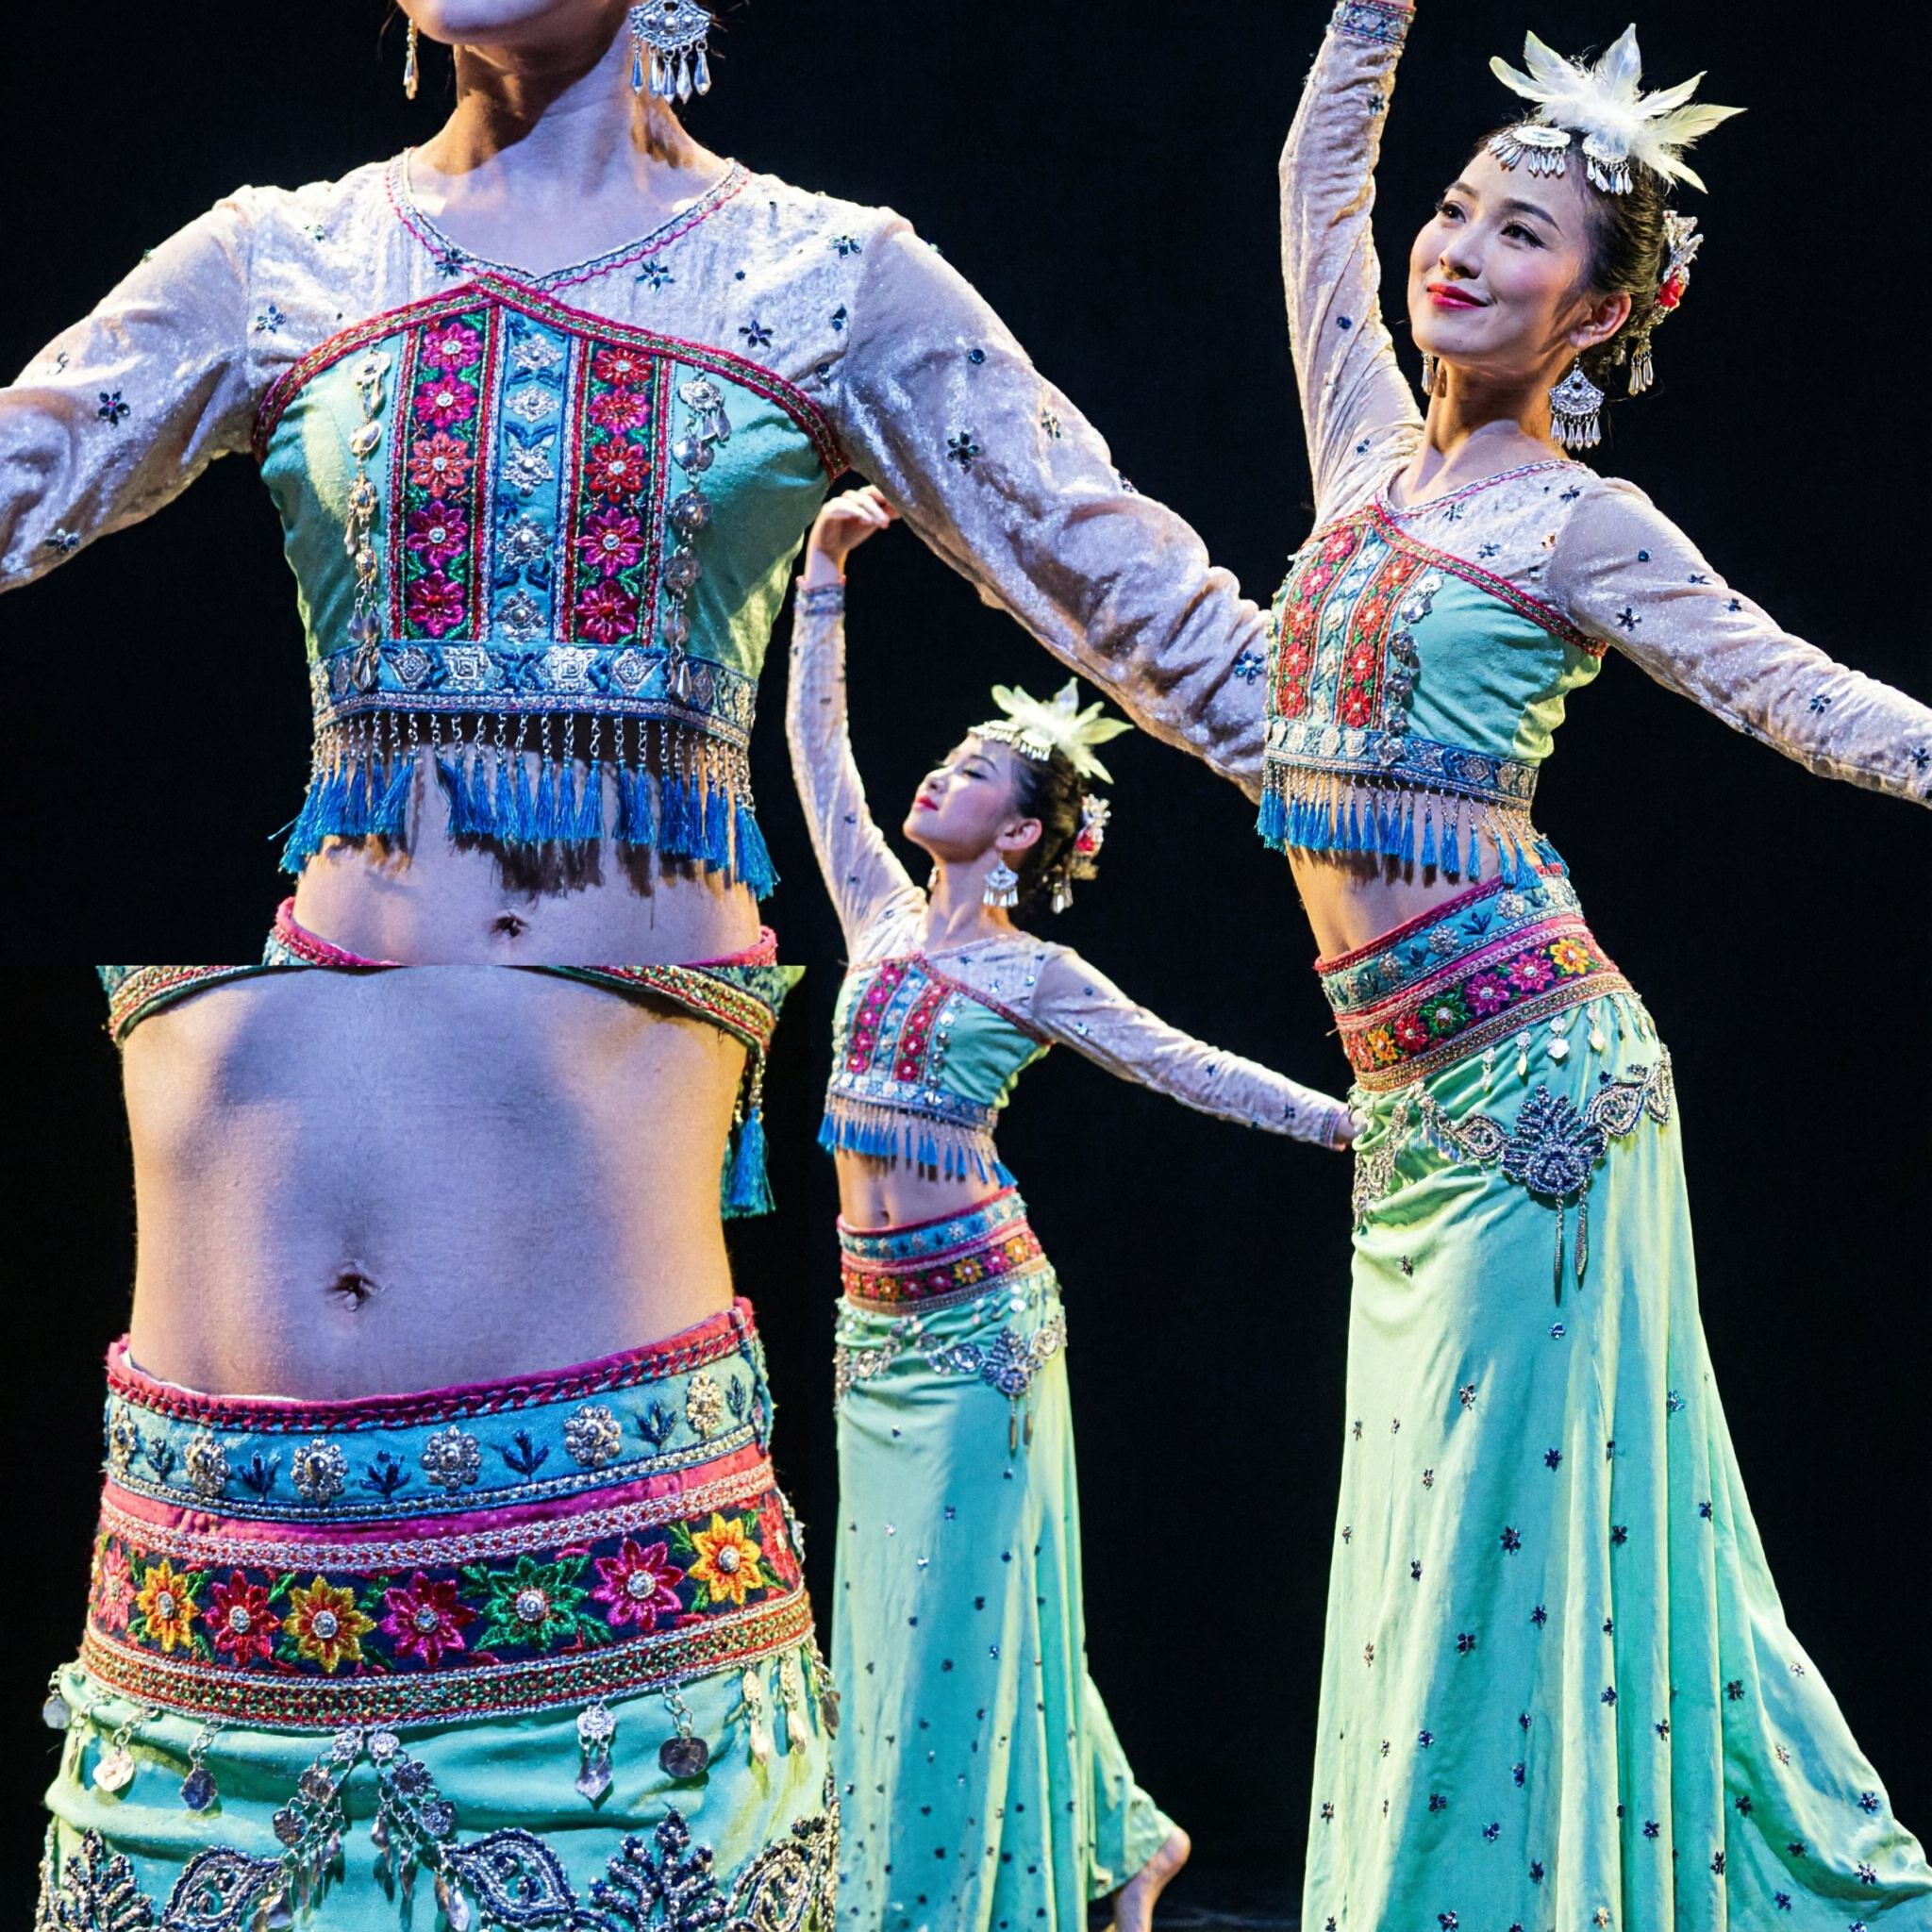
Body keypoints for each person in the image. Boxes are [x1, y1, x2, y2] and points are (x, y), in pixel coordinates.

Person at [12, 1, 1278, 1924]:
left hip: (593, 1379)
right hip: (242, 1423)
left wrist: (1410, 744)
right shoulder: (280, 257)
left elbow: (1147, 602)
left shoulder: (827, 281)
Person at [1152, 5, 1927, 1927]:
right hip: (1411, 1108)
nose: (1461, 247)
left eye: (1519, 237)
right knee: (1425, 1536)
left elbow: (1799, 700)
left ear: (1596, 317)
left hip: (1537, 1097)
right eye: (1462, 209)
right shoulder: (1357, 465)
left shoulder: (1584, 526)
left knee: (1496, 1551)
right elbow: (1315, 183)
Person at [786, 487, 1356, 1932]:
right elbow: (813, 752)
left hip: (981, 1331)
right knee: (912, 1612)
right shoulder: (878, 911)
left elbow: (1191, 1070)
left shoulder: (1036, 981)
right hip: (873, 1333)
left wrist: (1357, 1122)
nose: (939, 780)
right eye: (950, 758)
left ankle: (943, 1901)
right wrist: (827, 579)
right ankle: (1126, 1836)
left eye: (978, 772)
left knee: (959, 1623)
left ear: (1028, 838)